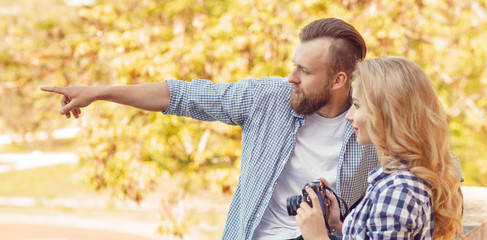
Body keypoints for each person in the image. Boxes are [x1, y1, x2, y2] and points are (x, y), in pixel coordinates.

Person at [41, 18, 378, 240]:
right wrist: (100, 92)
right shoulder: (269, 98)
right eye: (294, 66)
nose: (291, 77)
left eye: (304, 71)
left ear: (338, 80)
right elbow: (186, 96)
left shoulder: (374, 127)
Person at [296, 56, 464, 239]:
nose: (349, 116)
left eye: (357, 105)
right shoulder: (401, 180)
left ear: (387, 113)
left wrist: (317, 236)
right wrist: (338, 224)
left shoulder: (397, 191)